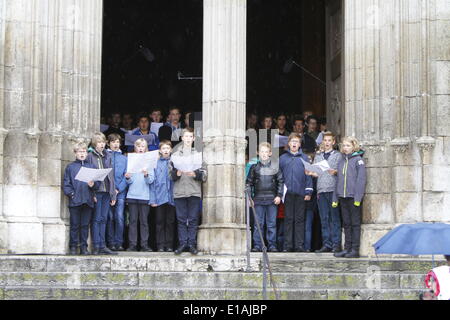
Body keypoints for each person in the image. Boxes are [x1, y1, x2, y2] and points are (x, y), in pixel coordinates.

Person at [170, 128, 207, 255]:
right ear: (182, 138)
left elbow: (205, 174)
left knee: (192, 219)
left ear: (193, 139)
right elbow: (170, 175)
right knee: (181, 219)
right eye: (185, 136)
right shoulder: (175, 155)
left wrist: (195, 173)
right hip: (179, 191)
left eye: (190, 136)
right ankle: (182, 243)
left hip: (194, 190)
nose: (187, 139)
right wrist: (177, 173)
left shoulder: (198, 154)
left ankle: (191, 243)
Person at [306, 132, 342, 253]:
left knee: (334, 218)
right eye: (325, 140)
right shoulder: (318, 156)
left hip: (333, 190)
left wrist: (336, 172)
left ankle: (336, 244)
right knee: (324, 218)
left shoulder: (338, 155)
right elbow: (317, 173)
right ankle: (327, 243)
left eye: (329, 140)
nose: (326, 143)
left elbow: (342, 171)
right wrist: (311, 173)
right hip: (321, 190)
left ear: (333, 142)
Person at [246, 142, 284, 253]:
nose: (264, 154)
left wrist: (279, 195)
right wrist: (250, 198)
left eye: (266, 152)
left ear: (270, 153)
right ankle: (258, 245)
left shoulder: (275, 167)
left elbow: (280, 181)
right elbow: (248, 183)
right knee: (258, 224)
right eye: (261, 151)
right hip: (258, 199)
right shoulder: (254, 167)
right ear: (258, 153)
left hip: (272, 199)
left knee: (271, 224)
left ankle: (272, 245)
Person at [332, 136, 367, 258]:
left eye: (348, 146)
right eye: (344, 146)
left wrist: (358, 198)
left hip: (353, 197)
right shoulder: (341, 161)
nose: (345, 148)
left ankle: (354, 249)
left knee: (355, 223)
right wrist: (335, 198)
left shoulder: (358, 161)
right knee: (346, 223)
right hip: (343, 196)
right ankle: (347, 248)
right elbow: (338, 180)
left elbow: (361, 181)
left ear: (354, 147)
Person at [63, 141, 99, 255]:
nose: (82, 154)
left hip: (88, 200)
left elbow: (97, 185)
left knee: (84, 225)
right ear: (75, 153)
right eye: (80, 152)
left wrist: (93, 185)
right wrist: (72, 194)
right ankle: (73, 246)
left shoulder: (91, 166)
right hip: (75, 200)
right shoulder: (71, 167)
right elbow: (66, 184)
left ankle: (84, 247)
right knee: (74, 225)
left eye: (84, 151)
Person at [279, 133, 313, 252]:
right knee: (288, 219)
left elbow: (308, 175)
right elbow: (279, 176)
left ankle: (299, 245)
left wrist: (308, 192)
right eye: (292, 141)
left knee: (299, 219)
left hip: (300, 193)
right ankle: (287, 246)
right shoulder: (283, 158)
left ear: (299, 144)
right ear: (288, 143)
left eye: (297, 142)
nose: (294, 143)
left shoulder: (304, 158)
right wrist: (279, 193)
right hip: (287, 193)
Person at [86, 132, 118, 255]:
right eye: (99, 142)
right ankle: (96, 245)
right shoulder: (90, 156)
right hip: (97, 191)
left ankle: (103, 245)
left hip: (106, 191)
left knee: (104, 218)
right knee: (96, 219)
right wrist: (92, 193)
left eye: (103, 142)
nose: (101, 145)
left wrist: (113, 193)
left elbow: (111, 175)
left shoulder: (107, 155)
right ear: (94, 143)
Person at [125, 138, 155, 252]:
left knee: (144, 222)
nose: (141, 148)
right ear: (135, 148)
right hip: (132, 195)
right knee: (132, 221)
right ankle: (132, 245)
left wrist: (147, 174)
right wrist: (127, 177)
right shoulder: (131, 160)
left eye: (143, 146)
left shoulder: (149, 161)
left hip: (144, 196)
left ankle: (144, 245)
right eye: (138, 146)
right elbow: (129, 181)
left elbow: (151, 180)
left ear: (146, 148)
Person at [149, 140, 176, 252]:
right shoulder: (155, 163)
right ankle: (160, 245)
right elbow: (153, 183)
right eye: (163, 148)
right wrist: (153, 199)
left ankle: (169, 245)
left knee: (170, 222)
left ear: (171, 150)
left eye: (168, 148)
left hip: (172, 197)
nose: (166, 150)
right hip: (159, 197)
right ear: (160, 151)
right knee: (159, 222)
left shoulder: (174, 162)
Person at [105, 134, 128, 251]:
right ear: (108, 143)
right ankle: (111, 242)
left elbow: (127, 175)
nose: (115, 144)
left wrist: (118, 189)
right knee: (109, 217)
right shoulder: (104, 156)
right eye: (113, 142)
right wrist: (110, 189)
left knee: (119, 217)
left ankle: (119, 242)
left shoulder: (124, 158)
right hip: (107, 192)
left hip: (120, 192)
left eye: (117, 142)